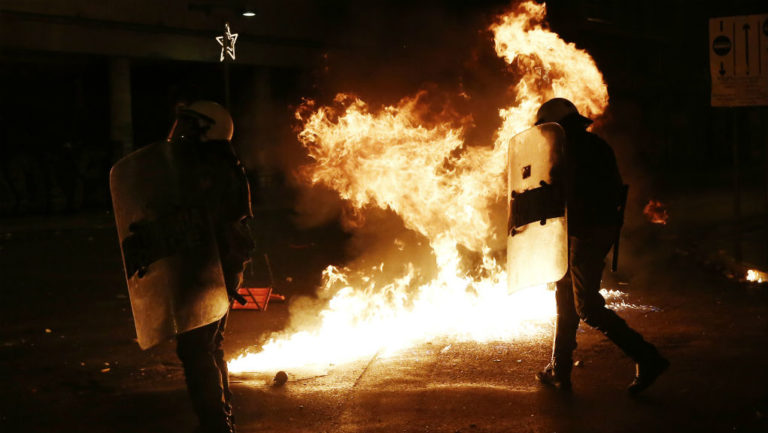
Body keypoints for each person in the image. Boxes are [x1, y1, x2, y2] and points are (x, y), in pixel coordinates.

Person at [533, 98, 668, 394]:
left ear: (556, 128)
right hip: (594, 230)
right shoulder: (594, 145)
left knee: (588, 308)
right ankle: (559, 367)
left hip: (586, 233)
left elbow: (565, 196)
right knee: (565, 294)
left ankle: (647, 357)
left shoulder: (569, 152)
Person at [169, 101, 253, 432]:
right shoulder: (218, 162)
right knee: (210, 345)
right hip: (219, 262)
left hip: (212, 264)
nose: (181, 133)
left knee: (196, 348)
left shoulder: (209, 169)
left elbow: (202, 219)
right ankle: (220, 419)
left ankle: (216, 425)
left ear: (207, 129)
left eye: (189, 125)